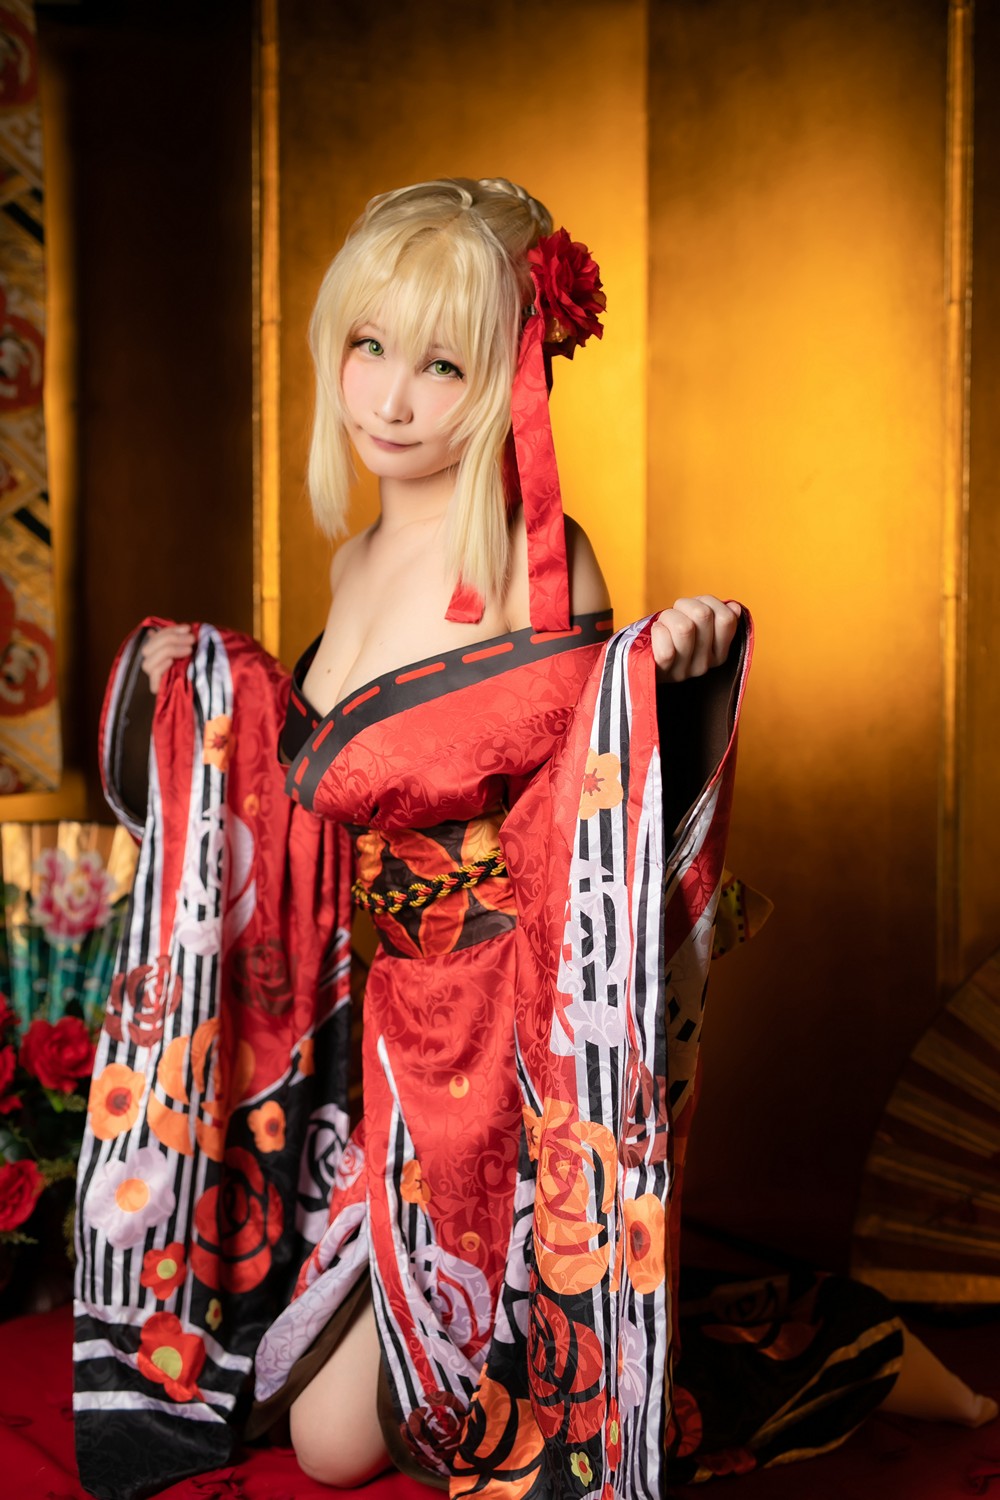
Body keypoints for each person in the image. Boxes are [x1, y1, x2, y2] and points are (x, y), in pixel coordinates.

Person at [138, 178, 994, 1494]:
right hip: (388, 1028)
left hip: (509, 1035)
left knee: (477, 1411)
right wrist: (208, 684)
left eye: (442, 365)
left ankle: (841, 1351)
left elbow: (592, 791)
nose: (391, 397)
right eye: (369, 346)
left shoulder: (542, 561)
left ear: (509, 379)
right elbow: (307, 775)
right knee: (325, 1438)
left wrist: (667, 663)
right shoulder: (353, 565)